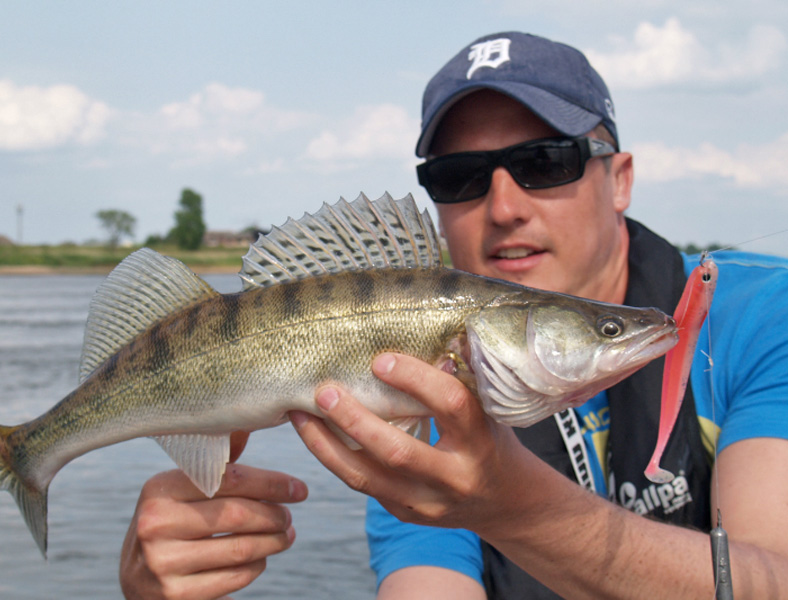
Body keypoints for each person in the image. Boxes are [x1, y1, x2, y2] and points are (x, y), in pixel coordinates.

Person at [120, 32, 788, 599]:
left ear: (620, 179)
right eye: (459, 176)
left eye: (543, 163)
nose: (503, 207)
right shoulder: (416, 406)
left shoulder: (763, 316)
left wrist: (515, 506)